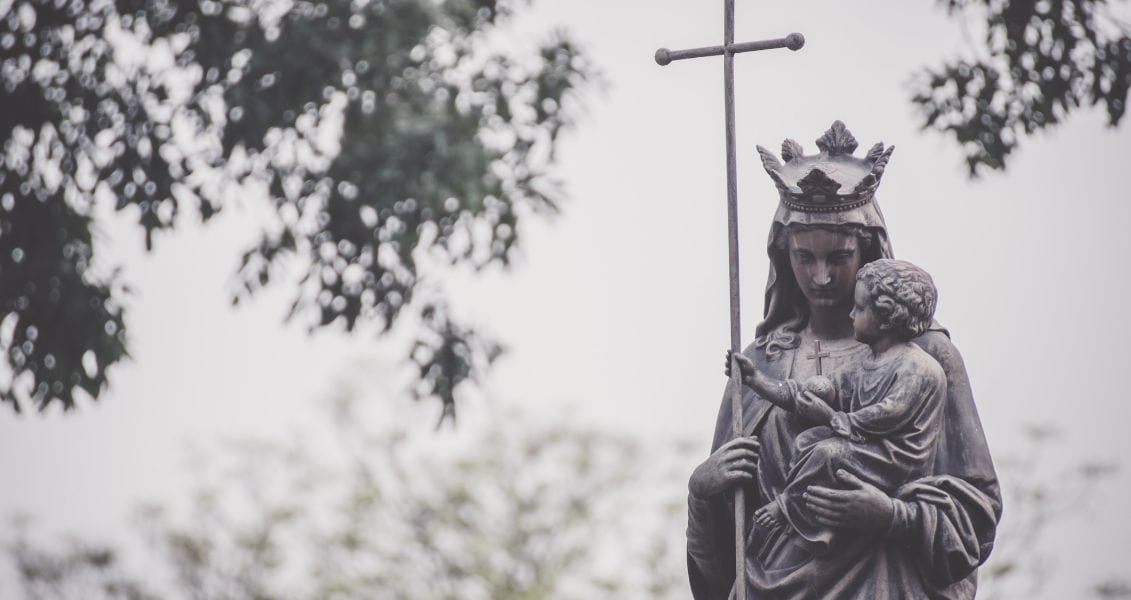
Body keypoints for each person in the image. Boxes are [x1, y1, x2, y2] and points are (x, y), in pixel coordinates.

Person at [686, 122, 1001, 599]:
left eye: (839, 256)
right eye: (803, 257)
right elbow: (721, 567)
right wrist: (702, 493)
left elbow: (976, 509)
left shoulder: (927, 357)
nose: (822, 276)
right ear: (782, 254)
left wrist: (892, 515)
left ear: (868, 251)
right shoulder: (761, 366)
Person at [727, 259, 947, 558]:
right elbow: (812, 393)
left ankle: (785, 508)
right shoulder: (863, 364)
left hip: (895, 456)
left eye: (859, 308)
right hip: (866, 447)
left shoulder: (918, 367)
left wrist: (832, 417)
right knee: (807, 440)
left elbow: (888, 413)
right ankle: (806, 521)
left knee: (827, 452)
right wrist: (758, 380)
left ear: (885, 316)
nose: (850, 314)